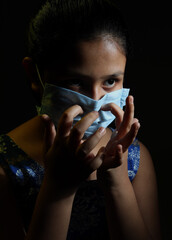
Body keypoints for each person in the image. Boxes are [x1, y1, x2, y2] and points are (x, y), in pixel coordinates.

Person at [0, 0, 161, 239]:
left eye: (110, 81)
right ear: (34, 75)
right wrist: (57, 188)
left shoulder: (135, 160)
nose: (96, 100)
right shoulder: (5, 167)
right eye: (75, 82)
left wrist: (117, 180)